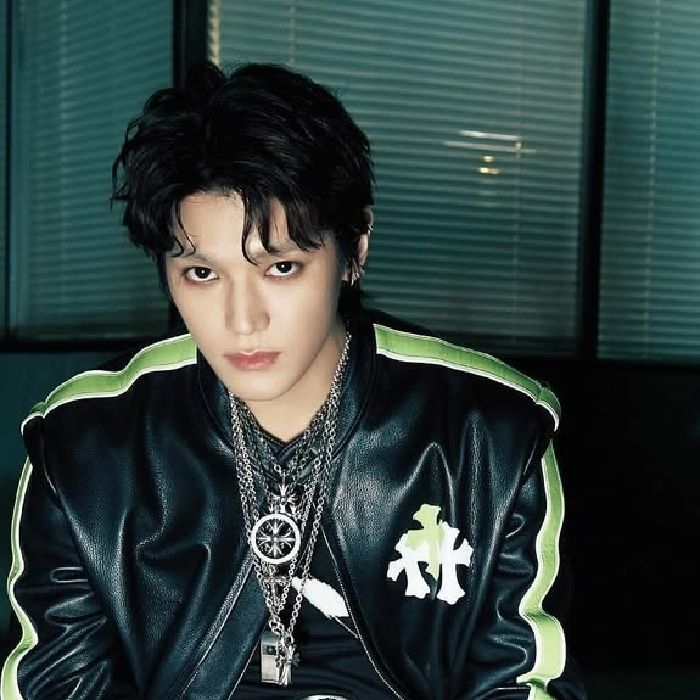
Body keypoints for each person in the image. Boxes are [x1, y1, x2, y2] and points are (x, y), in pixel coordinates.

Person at [1, 62, 586, 699]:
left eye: (280, 267)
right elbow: (55, 683)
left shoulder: (489, 435)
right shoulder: (87, 445)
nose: (241, 320)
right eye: (202, 274)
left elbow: (521, 681)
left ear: (354, 249)